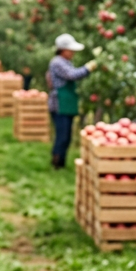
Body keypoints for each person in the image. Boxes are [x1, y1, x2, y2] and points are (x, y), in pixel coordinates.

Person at [47, 32, 96, 169]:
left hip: (66, 103)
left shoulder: (65, 62)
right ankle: (57, 163)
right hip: (59, 105)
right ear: (63, 50)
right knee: (62, 135)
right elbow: (72, 75)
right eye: (71, 50)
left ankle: (60, 162)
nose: (73, 53)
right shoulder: (57, 62)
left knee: (66, 135)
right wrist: (88, 68)